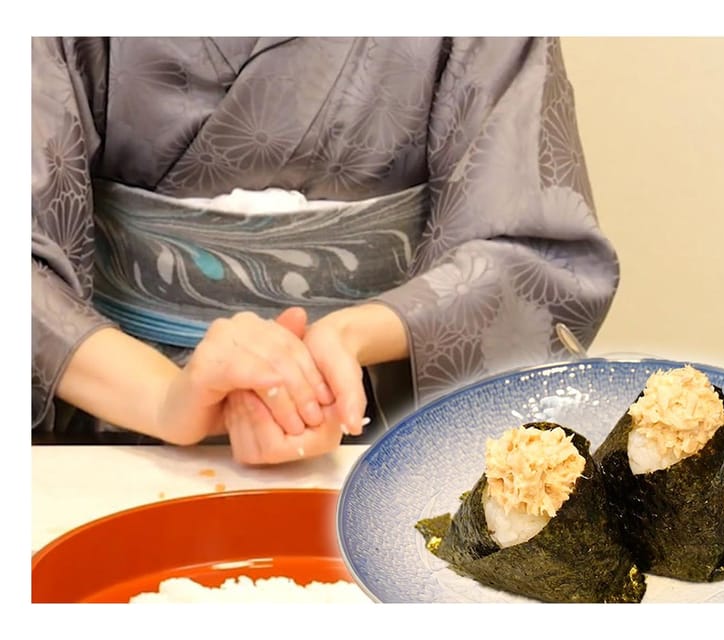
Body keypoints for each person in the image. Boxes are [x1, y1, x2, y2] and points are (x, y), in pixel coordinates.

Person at [31, 36, 620, 465]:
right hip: (112, 421)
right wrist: (165, 398)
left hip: (375, 415)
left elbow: (535, 256)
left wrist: (342, 342)